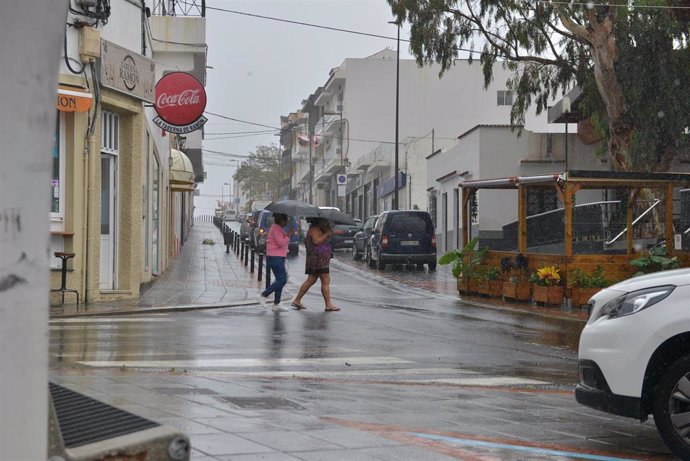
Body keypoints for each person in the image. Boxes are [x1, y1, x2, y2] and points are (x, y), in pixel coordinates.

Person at [291, 218, 341, 312]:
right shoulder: (314, 229)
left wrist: (328, 233)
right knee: (325, 279)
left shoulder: (317, 229)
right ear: (320, 221)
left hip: (316, 259)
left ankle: (297, 300)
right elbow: (316, 241)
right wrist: (326, 234)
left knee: (311, 280)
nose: (326, 223)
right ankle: (328, 304)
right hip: (318, 260)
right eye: (325, 222)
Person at [256, 213, 293, 312]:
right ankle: (263, 295)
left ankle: (277, 303)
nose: (287, 222)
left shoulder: (277, 228)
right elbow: (281, 243)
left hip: (278, 256)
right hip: (275, 257)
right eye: (286, 220)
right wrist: (289, 235)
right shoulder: (275, 228)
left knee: (279, 280)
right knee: (282, 280)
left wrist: (287, 234)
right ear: (281, 220)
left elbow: (281, 239)